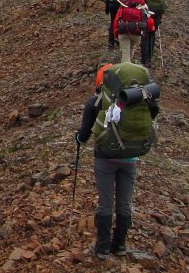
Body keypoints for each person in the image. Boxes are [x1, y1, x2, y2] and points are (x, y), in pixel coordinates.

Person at [75, 62, 160, 259]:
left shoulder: (95, 102)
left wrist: (78, 139)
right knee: (124, 203)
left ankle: (102, 248)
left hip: (105, 157)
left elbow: (84, 135)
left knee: (105, 203)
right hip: (130, 157)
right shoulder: (138, 98)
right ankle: (120, 245)